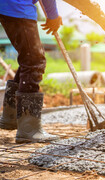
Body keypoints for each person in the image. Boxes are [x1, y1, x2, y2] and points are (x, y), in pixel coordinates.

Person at [0, 0, 62, 143]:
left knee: (28, 59)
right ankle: (29, 130)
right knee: (34, 62)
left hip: (8, 6)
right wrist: (53, 16)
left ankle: (12, 116)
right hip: (17, 7)